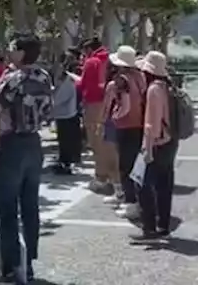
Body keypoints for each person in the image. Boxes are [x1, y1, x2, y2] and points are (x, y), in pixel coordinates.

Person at [0, 33, 53, 283]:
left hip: (11, 143)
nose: (9, 52)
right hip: (34, 143)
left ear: (21, 53)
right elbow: (47, 112)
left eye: (12, 48)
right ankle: (29, 262)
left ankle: (11, 266)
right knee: (30, 205)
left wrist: (2, 79)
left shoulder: (12, 78)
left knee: (8, 207)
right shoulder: (44, 77)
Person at [136, 51, 178, 239]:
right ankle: (163, 225)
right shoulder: (168, 86)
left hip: (157, 143)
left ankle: (149, 226)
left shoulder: (154, 89)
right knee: (165, 185)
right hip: (170, 141)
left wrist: (148, 149)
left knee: (143, 185)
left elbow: (151, 123)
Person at [104, 46, 147, 221]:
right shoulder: (139, 77)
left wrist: (114, 116)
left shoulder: (121, 81)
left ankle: (132, 204)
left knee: (125, 166)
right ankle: (135, 201)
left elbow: (122, 104)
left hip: (126, 125)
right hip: (139, 124)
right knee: (135, 166)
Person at [76, 37, 115, 195]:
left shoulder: (91, 62)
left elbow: (83, 85)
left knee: (96, 143)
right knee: (109, 143)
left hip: (94, 104)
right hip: (111, 104)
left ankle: (101, 177)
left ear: (88, 50)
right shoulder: (111, 60)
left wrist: (75, 79)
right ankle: (113, 177)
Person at [50, 60, 82, 175]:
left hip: (67, 115)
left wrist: (49, 105)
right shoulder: (62, 81)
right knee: (63, 141)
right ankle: (63, 162)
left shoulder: (68, 83)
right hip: (62, 115)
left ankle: (66, 165)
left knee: (65, 142)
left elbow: (59, 100)